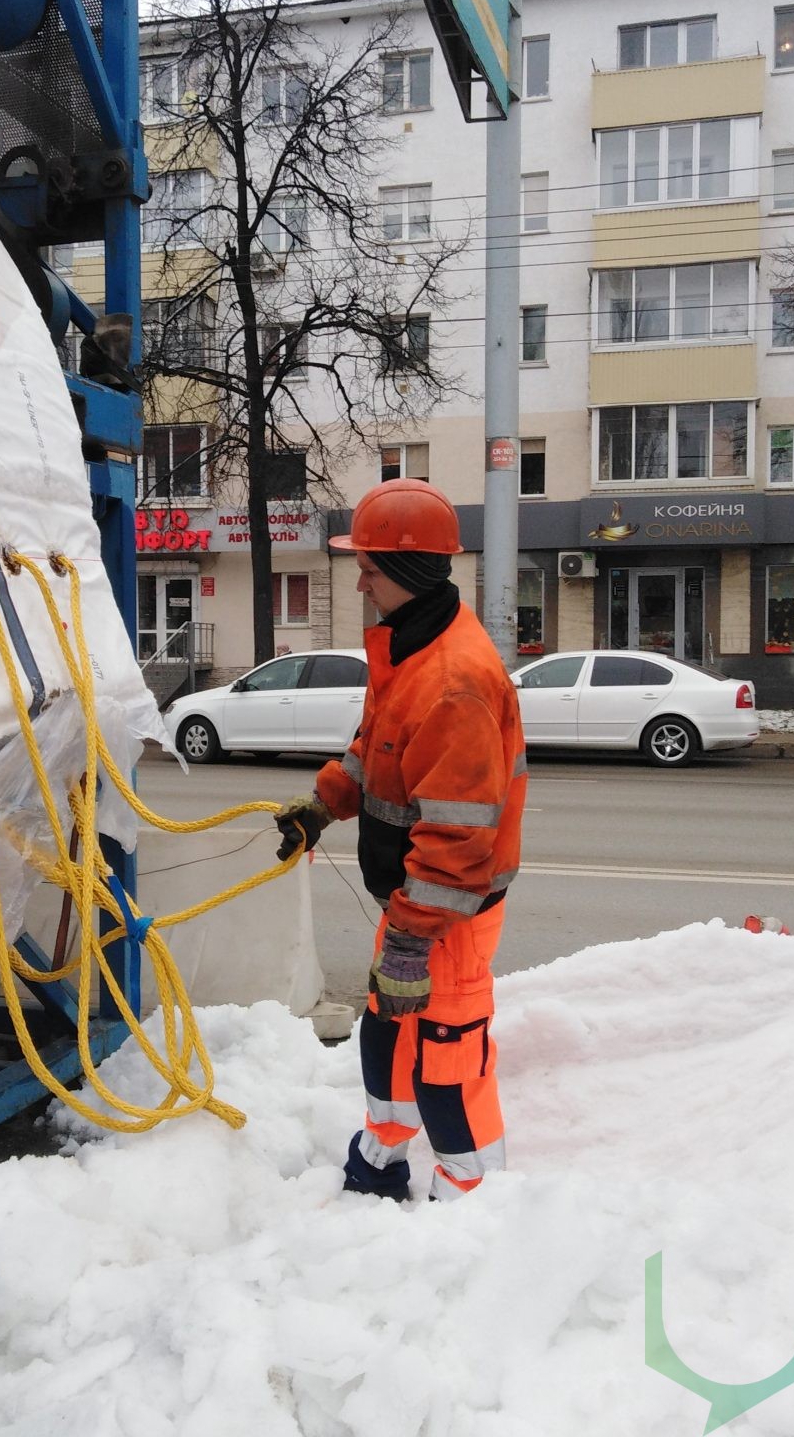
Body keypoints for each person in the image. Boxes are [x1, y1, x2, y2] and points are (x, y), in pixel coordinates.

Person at [273, 479, 527, 1202]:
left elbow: (457, 836)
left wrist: (413, 942)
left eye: (371, 567)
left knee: (447, 1054)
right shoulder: (408, 649)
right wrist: (326, 805)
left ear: (408, 574)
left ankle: (471, 1195)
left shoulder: (454, 683)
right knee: (389, 1035)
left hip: (448, 911)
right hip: (412, 903)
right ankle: (383, 1159)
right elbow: (376, 753)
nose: (360, 580)